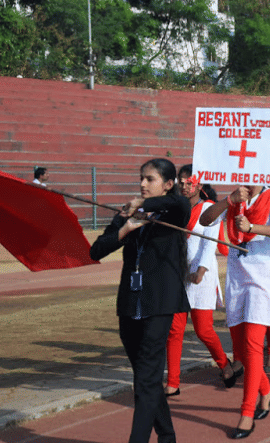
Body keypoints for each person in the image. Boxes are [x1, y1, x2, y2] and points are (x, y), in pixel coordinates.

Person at [89, 158, 191, 443]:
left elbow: (179, 204)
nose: (143, 184)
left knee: (145, 381)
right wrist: (126, 227)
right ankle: (167, 435)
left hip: (160, 304)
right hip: (129, 305)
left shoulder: (175, 211)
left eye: (150, 179)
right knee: (146, 379)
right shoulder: (126, 213)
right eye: (141, 179)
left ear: (168, 184)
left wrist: (141, 204)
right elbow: (96, 251)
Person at [199, 176, 270, 439]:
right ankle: (266, 391)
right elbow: (205, 220)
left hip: (263, 279)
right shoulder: (233, 198)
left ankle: (246, 412)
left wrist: (254, 226)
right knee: (241, 347)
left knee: (253, 345)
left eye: (252, 173)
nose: (247, 179)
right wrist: (229, 200)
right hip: (237, 278)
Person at [164, 165, 238, 398]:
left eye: (189, 182)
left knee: (204, 330)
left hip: (201, 278)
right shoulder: (176, 208)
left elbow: (209, 243)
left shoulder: (209, 209)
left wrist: (201, 271)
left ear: (200, 185)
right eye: (182, 182)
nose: (185, 186)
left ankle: (225, 365)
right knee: (174, 330)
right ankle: (173, 383)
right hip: (178, 275)